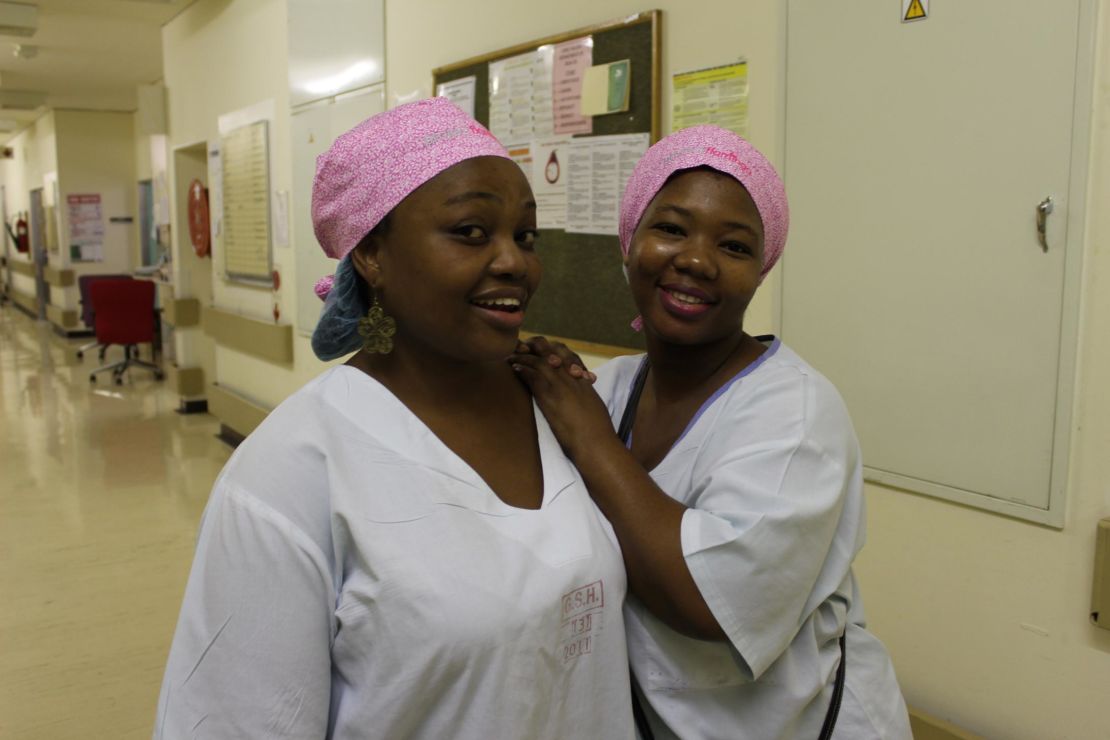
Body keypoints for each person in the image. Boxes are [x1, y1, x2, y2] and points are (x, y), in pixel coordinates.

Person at [154, 98, 635, 739]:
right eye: (471, 231)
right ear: (372, 254)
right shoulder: (292, 474)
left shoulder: (558, 406)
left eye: (524, 235)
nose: (515, 261)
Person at [510, 125, 911, 739]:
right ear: (630, 242)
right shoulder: (611, 388)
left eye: (734, 246)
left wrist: (588, 437)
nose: (696, 260)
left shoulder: (796, 414)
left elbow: (711, 600)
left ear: (759, 272)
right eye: (671, 229)